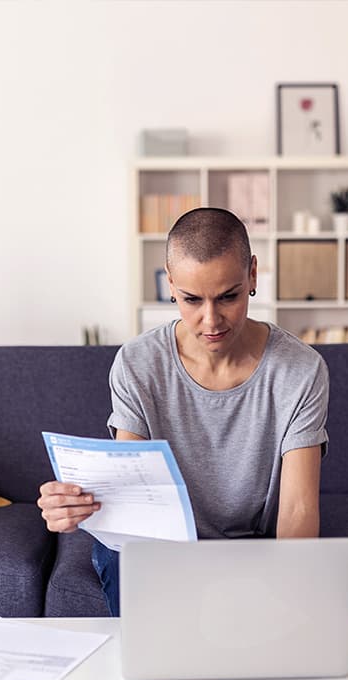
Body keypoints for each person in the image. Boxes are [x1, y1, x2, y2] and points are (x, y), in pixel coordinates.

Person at [37, 207, 329, 615]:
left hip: (250, 542)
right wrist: (72, 506)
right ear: (170, 284)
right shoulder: (137, 363)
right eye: (192, 300)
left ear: (252, 276)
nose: (211, 320)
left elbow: (299, 509)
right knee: (138, 582)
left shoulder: (300, 369)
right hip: (155, 546)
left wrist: (286, 593)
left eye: (228, 296)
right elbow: (132, 498)